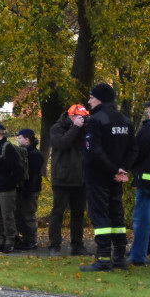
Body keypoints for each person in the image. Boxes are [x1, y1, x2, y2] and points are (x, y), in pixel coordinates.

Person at [81, 82, 137, 271]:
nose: (88, 101)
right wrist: (123, 169)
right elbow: (133, 148)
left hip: (99, 175)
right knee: (116, 213)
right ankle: (120, 257)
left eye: (91, 97)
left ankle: (104, 259)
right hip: (117, 176)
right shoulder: (125, 120)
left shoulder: (96, 120)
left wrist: (114, 170)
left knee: (100, 214)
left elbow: (94, 151)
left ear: (99, 98)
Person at [48, 105, 89, 255]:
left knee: (78, 213)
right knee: (57, 212)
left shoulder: (84, 128)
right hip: (62, 177)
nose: (81, 119)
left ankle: (77, 245)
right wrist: (75, 128)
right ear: (70, 115)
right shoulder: (57, 128)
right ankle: (54, 245)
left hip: (81, 178)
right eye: (78, 116)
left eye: (83, 116)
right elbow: (62, 144)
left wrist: (81, 128)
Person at [129, 96, 150, 265]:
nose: (147, 110)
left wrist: (127, 167)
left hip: (149, 183)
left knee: (142, 220)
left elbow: (137, 152)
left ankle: (137, 256)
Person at [0, 123, 22, 253]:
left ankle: (10, 239)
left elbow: (17, 167)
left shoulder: (8, 148)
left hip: (7, 186)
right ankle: (0, 239)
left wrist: (15, 181)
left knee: (7, 214)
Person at [14, 129, 44, 250]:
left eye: (20, 138)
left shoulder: (34, 154)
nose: (18, 139)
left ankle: (31, 239)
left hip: (30, 189)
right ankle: (26, 238)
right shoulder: (23, 153)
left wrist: (28, 188)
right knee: (19, 214)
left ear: (27, 139)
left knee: (28, 214)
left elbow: (34, 174)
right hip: (22, 188)